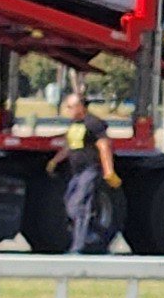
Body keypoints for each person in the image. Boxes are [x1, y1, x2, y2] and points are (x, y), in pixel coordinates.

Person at [49, 84, 120, 254]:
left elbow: (104, 147)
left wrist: (109, 171)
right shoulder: (75, 123)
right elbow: (68, 146)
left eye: (71, 106)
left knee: (79, 207)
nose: (68, 110)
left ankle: (77, 247)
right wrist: (54, 161)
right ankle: (103, 233)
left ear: (81, 106)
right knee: (69, 206)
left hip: (90, 170)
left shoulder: (93, 123)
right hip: (77, 172)